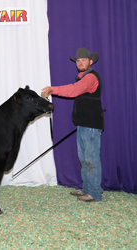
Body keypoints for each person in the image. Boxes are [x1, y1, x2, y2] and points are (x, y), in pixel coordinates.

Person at [42, 48, 104, 202]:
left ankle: (94, 193)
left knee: (91, 159)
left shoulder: (90, 78)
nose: (80, 63)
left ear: (90, 62)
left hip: (90, 124)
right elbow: (76, 89)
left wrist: (52, 89)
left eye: (83, 60)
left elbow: (74, 90)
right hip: (83, 124)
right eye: (78, 61)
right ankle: (87, 190)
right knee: (84, 159)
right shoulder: (83, 78)